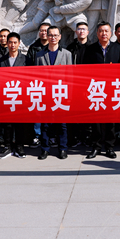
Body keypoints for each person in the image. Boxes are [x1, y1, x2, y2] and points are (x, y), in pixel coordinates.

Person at [34, 26, 72, 160]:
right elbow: (36, 77)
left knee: (62, 125)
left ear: (60, 37)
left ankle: (62, 149)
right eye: (50, 35)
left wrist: (69, 96)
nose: (53, 38)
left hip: (61, 94)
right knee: (45, 124)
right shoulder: (39, 55)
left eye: (55, 35)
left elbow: (70, 77)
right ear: (46, 36)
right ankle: (45, 149)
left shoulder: (67, 54)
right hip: (45, 95)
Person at [83, 22, 119, 159]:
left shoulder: (117, 48)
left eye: (106, 31)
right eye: (101, 31)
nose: (104, 33)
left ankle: (110, 147)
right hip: (96, 90)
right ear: (97, 33)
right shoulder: (90, 49)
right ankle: (96, 147)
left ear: (111, 33)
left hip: (112, 90)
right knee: (96, 121)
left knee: (111, 121)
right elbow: (85, 71)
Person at [0, 32, 28, 160]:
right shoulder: (1, 61)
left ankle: (19, 147)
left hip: (21, 96)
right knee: (7, 124)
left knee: (20, 123)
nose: (12, 45)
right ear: (7, 43)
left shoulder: (25, 60)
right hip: (6, 96)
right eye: (10, 42)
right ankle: (8, 147)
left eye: (15, 42)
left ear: (19, 44)